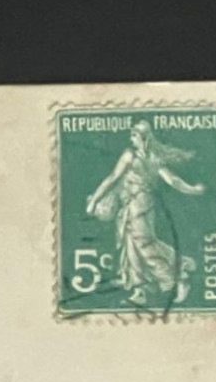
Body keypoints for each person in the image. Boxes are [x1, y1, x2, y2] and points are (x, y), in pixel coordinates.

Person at [85, 119, 206, 307]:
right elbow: (172, 180)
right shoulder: (152, 158)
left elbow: (113, 178)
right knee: (133, 244)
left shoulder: (132, 156)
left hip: (137, 206)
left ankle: (175, 281)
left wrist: (94, 201)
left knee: (144, 245)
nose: (130, 138)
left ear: (143, 138)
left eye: (134, 134)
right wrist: (192, 189)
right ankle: (139, 289)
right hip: (136, 206)